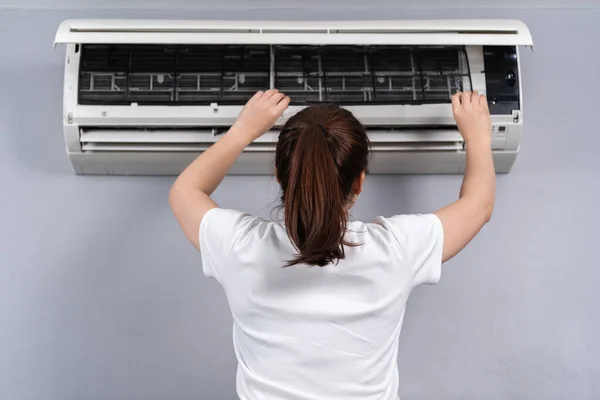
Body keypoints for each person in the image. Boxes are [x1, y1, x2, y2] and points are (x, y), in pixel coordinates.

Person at [169, 89, 495, 400]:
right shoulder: (397, 249)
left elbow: (185, 193)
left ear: (281, 178)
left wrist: (242, 131)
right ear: (360, 182)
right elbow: (479, 205)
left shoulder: (239, 246)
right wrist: (478, 136)